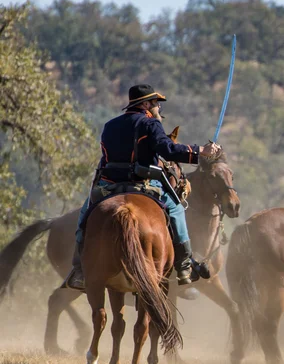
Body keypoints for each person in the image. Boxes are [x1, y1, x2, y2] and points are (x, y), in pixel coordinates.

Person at [62, 84, 219, 290]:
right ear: (145, 103)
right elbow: (168, 149)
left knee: (84, 217)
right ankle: (184, 265)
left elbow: (106, 156)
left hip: (109, 186)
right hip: (142, 184)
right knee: (177, 210)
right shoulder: (150, 124)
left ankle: (79, 270)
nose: (158, 108)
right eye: (155, 103)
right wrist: (201, 151)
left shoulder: (109, 125)